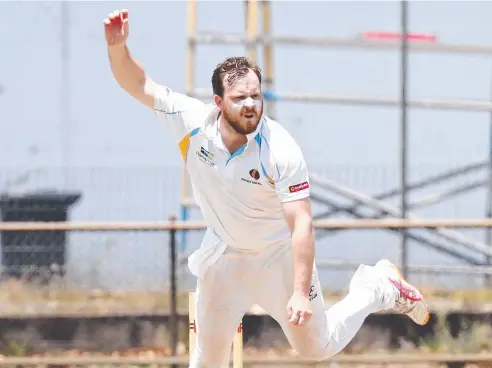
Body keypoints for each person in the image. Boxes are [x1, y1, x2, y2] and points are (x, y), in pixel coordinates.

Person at [104, 9, 430, 367]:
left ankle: (376, 287)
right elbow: (138, 84)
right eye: (240, 98)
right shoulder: (191, 124)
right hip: (224, 256)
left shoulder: (281, 149)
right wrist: (117, 48)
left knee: (316, 347)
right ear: (218, 102)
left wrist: (300, 293)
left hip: (279, 259)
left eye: (256, 97)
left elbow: (302, 223)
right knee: (207, 360)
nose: (250, 106)